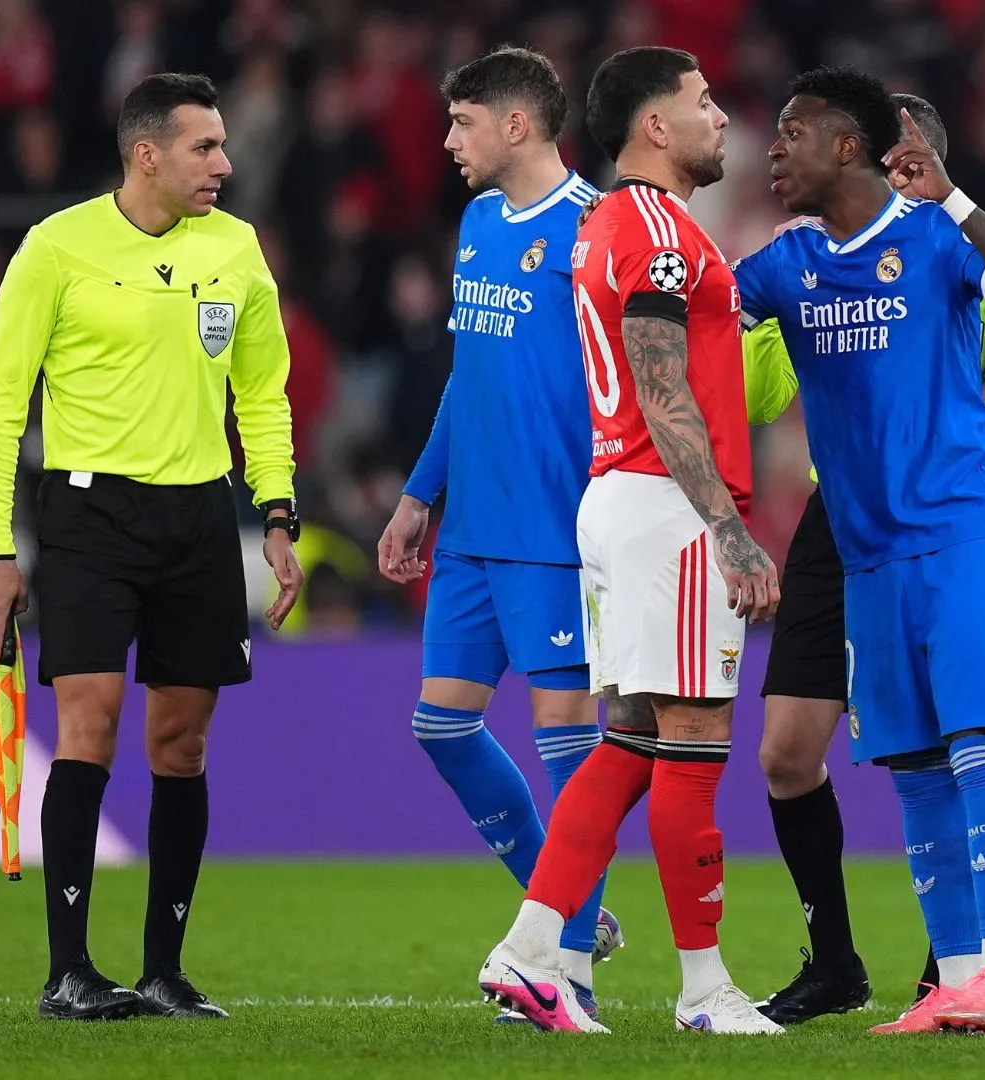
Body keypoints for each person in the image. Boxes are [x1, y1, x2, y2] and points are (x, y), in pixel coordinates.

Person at [731, 65, 985, 1035]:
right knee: (915, 765)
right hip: (864, 552)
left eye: (793, 132)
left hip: (961, 532)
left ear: (848, 146)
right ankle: (955, 981)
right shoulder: (785, 264)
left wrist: (954, 197)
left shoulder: (933, 238)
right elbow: (696, 317)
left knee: (978, 745)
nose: (774, 150)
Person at [0, 72, 305, 1021]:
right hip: (87, 518)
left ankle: (164, 970)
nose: (226, 166)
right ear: (146, 153)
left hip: (199, 519)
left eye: (225, 145)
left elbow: (263, 394)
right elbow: (1, 409)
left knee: (182, 744)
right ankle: (68, 971)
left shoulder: (236, 250)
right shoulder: (56, 249)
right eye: (206, 148)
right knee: (91, 724)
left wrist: (276, 516)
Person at [479, 46, 782, 1036]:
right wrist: (730, 529)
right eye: (702, 101)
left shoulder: (616, 223)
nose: (719, 117)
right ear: (655, 125)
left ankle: (528, 953)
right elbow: (663, 382)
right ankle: (705, 991)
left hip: (624, 499)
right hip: (667, 505)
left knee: (632, 740)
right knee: (692, 742)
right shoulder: (653, 228)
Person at [373, 47, 616, 1023]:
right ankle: (562, 911)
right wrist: (419, 496)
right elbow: (469, 376)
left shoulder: (594, 229)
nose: (447, 141)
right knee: (441, 725)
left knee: (567, 746)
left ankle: (568, 972)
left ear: (517, 126)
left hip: (556, 533)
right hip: (471, 531)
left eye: (462, 122)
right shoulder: (477, 222)